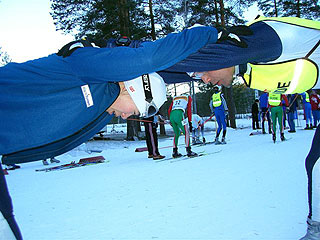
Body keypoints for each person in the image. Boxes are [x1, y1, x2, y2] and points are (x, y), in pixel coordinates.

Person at [167, 16, 319, 240]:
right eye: (198, 78)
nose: (205, 80)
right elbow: (176, 70)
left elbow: (221, 53)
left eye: (202, 72)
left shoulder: (264, 37)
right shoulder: (246, 67)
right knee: (314, 163)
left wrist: (143, 58)